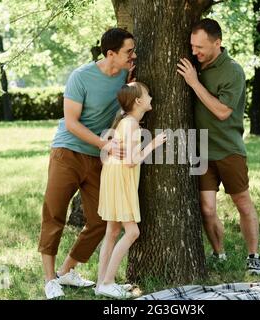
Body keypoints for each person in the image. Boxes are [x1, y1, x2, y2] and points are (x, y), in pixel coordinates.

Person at [38, 27, 137, 299]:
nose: (134, 55)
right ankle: (50, 280)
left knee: (99, 220)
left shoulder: (124, 77)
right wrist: (104, 144)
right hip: (67, 152)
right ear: (110, 54)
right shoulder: (81, 77)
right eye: (129, 51)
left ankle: (67, 271)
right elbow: (71, 123)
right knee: (54, 213)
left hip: (96, 159)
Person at [177, 18, 260, 275]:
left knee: (242, 203)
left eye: (200, 47)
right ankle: (219, 252)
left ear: (218, 43)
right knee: (206, 208)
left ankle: (253, 256)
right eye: (192, 46)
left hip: (228, 149)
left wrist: (194, 83)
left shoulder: (232, 71)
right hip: (200, 149)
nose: (195, 52)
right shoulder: (194, 64)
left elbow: (222, 111)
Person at [94, 82, 167, 299]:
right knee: (132, 232)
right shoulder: (132, 124)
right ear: (138, 101)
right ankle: (107, 282)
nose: (151, 97)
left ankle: (101, 284)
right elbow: (131, 161)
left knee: (112, 232)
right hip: (121, 177)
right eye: (148, 94)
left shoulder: (126, 121)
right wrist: (153, 144)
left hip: (112, 176)